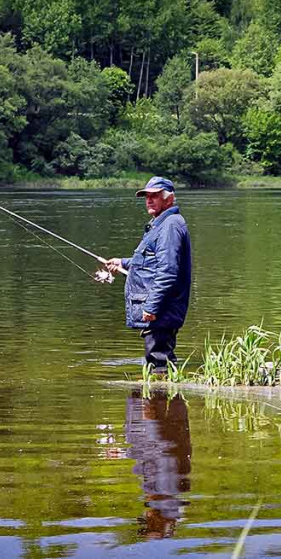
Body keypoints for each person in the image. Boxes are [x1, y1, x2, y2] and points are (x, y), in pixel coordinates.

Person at [105, 176, 192, 374]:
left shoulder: (170, 226)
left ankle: (161, 392)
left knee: (159, 364)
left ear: (169, 198)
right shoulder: (161, 224)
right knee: (156, 361)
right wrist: (122, 263)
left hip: (163, 310)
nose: (149, 200)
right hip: (161, 309)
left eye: (155, 196)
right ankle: (159, 393)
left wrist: (152, 306)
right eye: (147, 196)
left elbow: (167, 271)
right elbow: (151, 261)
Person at [124, 388, 192, 539]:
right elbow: (160, 458)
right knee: (155, 398)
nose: (145, 515)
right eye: (148, 519)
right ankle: (153, 390)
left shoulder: (170, 498)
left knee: (163, 396)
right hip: (158, 441)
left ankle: (158, 389)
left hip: (170, 439)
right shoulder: (162, 495)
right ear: (155, 520)